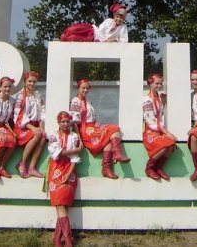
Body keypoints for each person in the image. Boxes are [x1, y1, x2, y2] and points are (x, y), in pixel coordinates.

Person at [69, 78, 130, 179]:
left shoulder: (88, 102)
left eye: (87, 88)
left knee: (113, 130)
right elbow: (74, 122)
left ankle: (107, 167)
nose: (85, 90)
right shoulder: (75, 101)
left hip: (92, 127)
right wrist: (79, 139)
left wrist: (97, 124)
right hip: (84, 129)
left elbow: (93, 118)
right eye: (83, 88)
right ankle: (115, 156)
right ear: (78, 88)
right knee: (112, 130)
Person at [48, 111, 82, 247]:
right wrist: (76, 150)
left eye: (68, 121)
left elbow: (74, 159)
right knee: (59, 202)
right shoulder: (52, 135)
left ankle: (58, 239)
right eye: (63, 121)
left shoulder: (74, 136)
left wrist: (68, 174)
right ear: (58, 122)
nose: (65, 124)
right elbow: (57, 153)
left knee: (63, 204)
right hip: (56, 169)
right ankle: (68, 240)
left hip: (70, 170)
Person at [142, 73, 177, 180]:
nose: (159, 85)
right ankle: (149, 168)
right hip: (150, 130)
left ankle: (159, 168)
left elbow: (160, 115)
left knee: (171, 145)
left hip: (158, 130)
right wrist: (167, 133)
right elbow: (151, 120)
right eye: (156, 83)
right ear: (150, 84)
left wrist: (164, 102)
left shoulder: (159, 98)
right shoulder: (146, 99)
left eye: (160, 83)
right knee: (164, 146)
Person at [13, 71, 46, 178]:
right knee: (37, 135)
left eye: (34, 81)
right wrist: (32, 128)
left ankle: (32, 167)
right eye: (29, 81)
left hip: (35, 125)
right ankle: (22, 163)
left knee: (43, 136)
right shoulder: (20, 97)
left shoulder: (38, 96)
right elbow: (18, 116)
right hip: (23, 126)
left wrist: (41, 127)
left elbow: (42, 112)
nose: (32, 84)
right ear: (25, 81)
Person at [60, 3, 128, 42]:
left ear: (124, 19)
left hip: (94, 39)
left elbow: (125, 40)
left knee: (74, 37)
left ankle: (63, 38)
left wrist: (116, 39)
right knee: (75, 28)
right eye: (117, 17)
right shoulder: (108, 21)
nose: (119, 19)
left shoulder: (123, 27)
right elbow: (100, 30)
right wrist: (105, 41)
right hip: (93, 31)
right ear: (114, 16)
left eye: (121, 18)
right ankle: (64, 34)